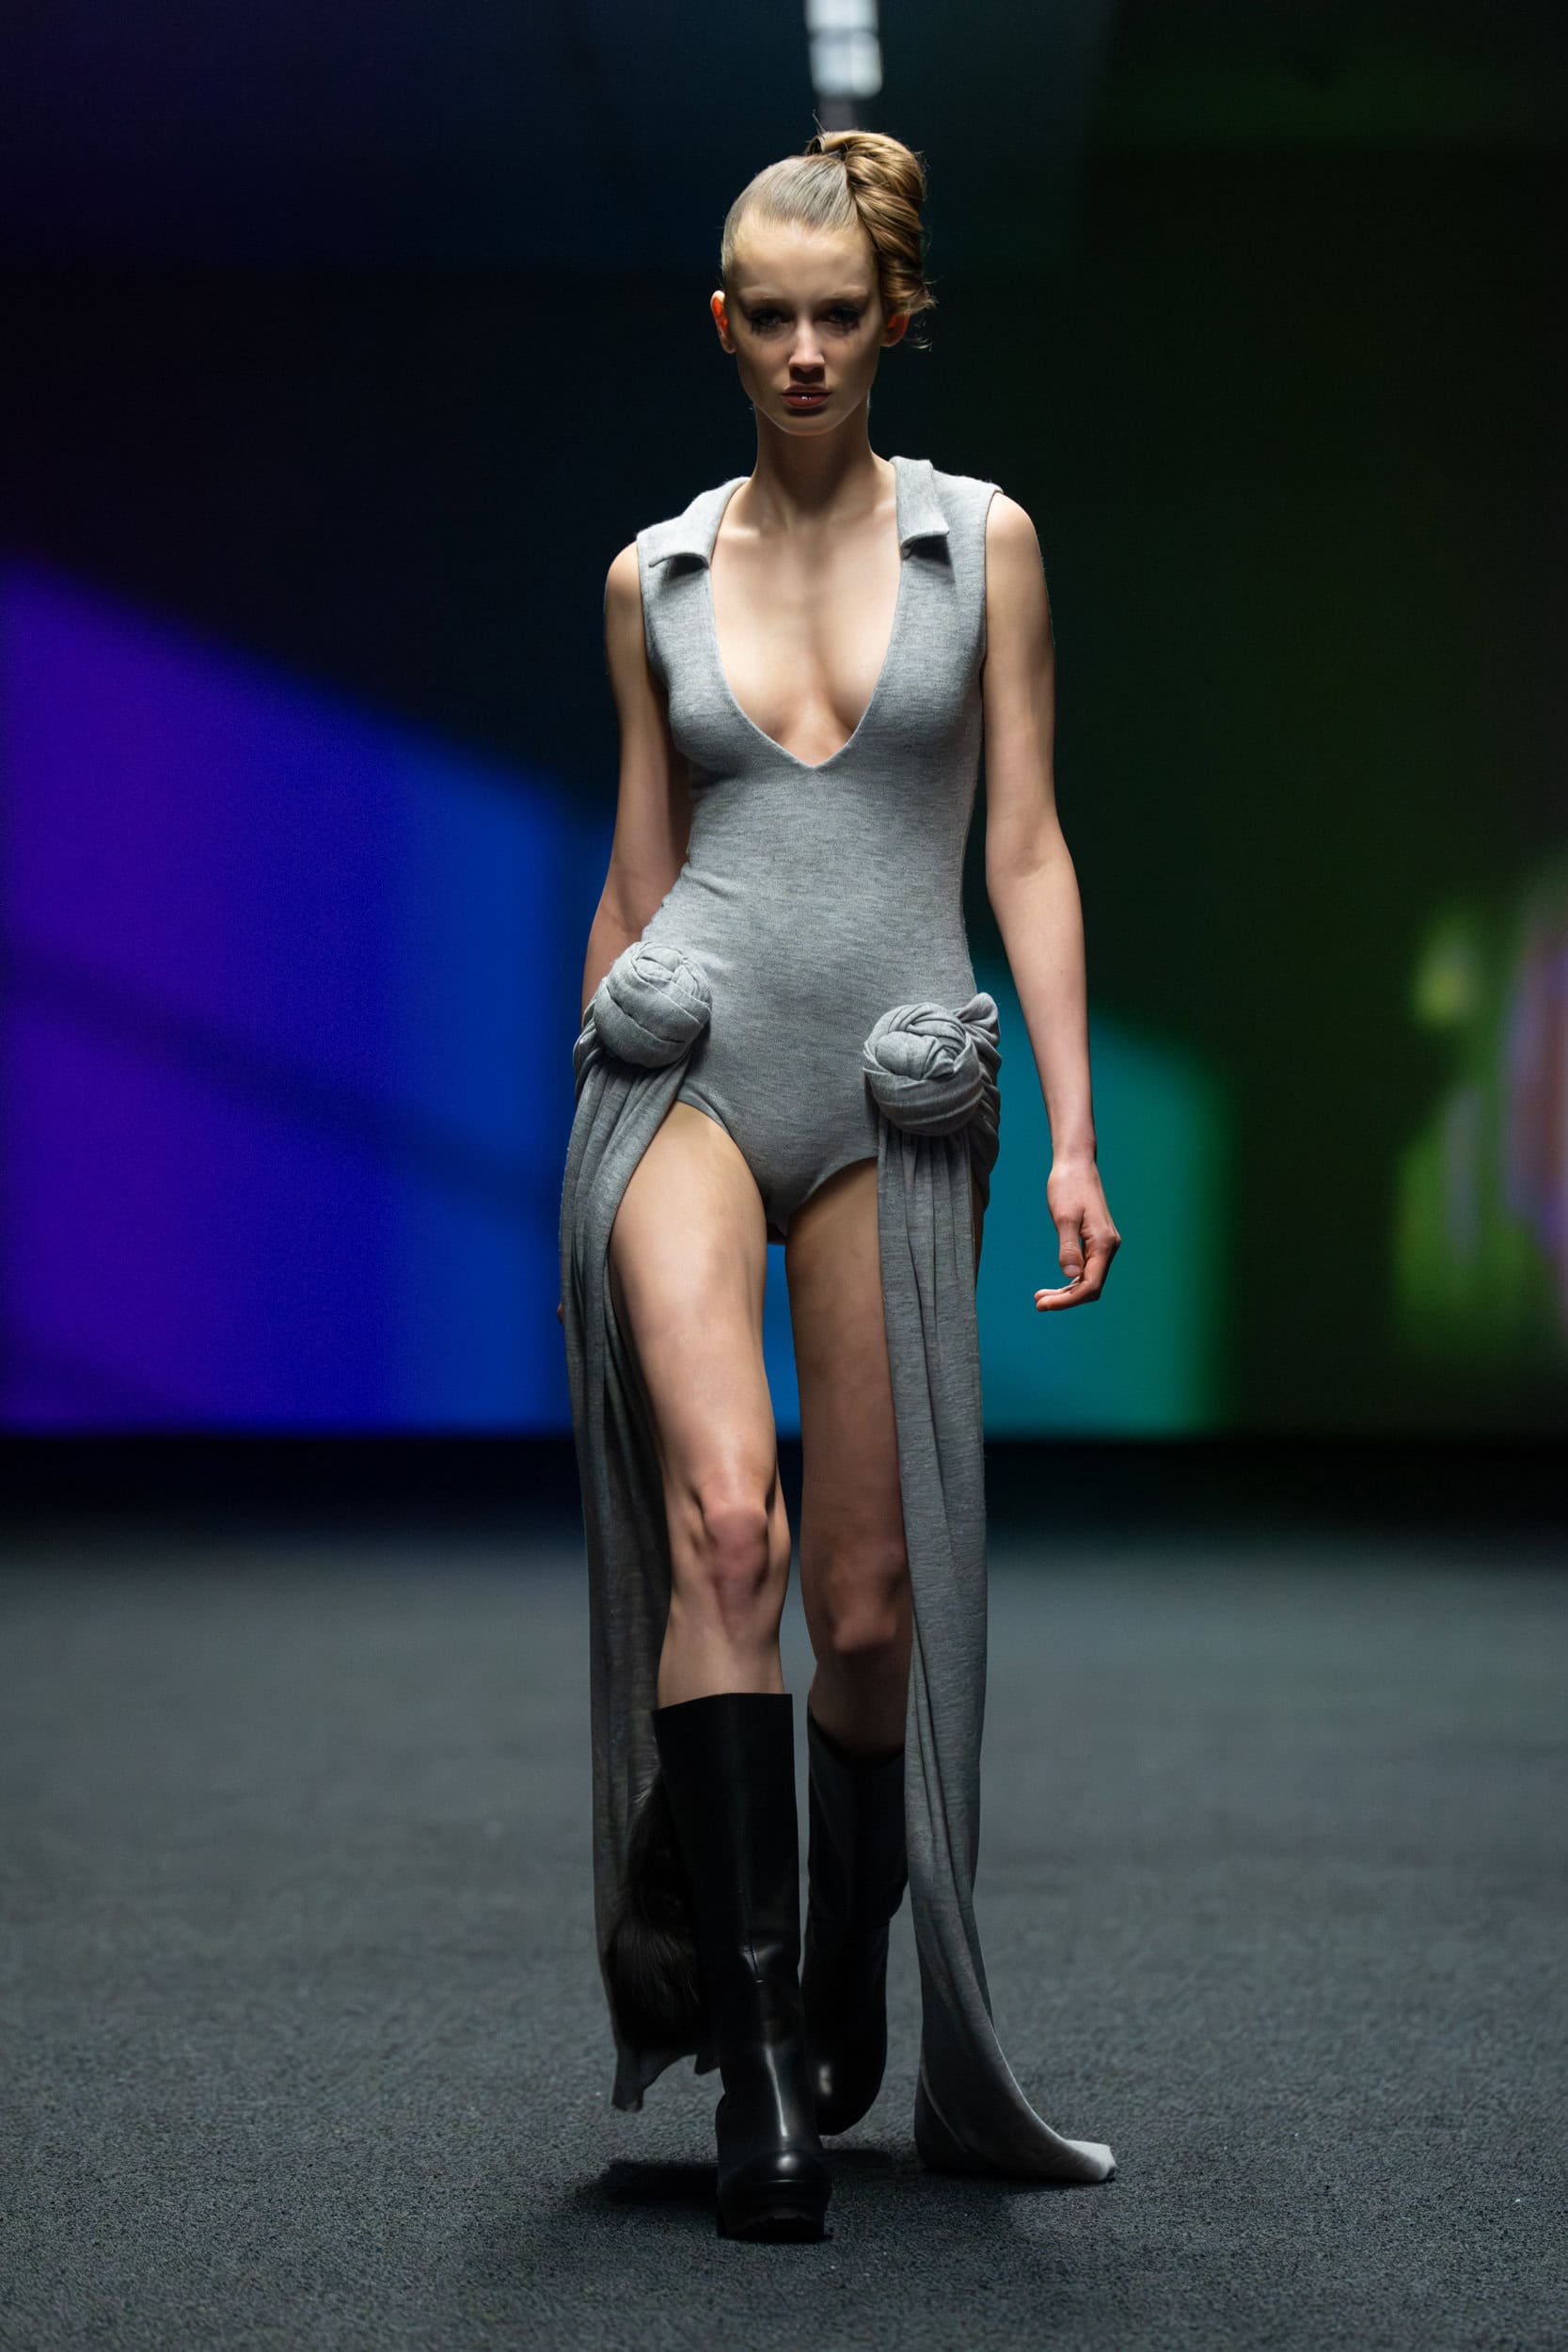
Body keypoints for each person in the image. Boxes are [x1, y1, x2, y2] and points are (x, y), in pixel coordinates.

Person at [558, 127, 1121, 2243]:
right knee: (733, 1527)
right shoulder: (653, 576)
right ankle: (764, 2062)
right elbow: (638, 873)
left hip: (896, 1096)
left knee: (868, 1618)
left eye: (840, 317)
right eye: (770, 319)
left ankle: (853, 1943)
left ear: (894, 322)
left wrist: (1073, 1128)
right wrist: (577, 1162)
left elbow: (1026, 846)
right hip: (686, 1082)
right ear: (725, 327)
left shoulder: (986, 546)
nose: (804, 352)